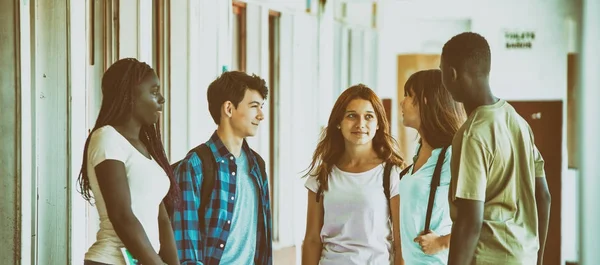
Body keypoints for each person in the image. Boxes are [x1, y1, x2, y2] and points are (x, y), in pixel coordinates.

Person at [440, 32, 552, 265]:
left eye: (442, 72)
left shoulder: (472, 133)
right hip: (525, 256)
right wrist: (537, 258)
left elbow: (470, 222)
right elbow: (544, 196)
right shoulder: (518, 122)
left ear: (451, 74)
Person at [78, 58, 180, 265]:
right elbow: (122, 216)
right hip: (110, 260)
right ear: (129, 96)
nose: (162, 99)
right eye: (153, 91)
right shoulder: (107, 138)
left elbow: (162, 220)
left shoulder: (145, 149)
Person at [171, 71, 273, 265]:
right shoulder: (195, 166)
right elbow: (186, 247)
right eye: (254, 107)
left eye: (261, 107)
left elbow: (263, 240)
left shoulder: (257, 165)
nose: (261, 115)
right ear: (229, 108)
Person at [302, 84, 405, 265]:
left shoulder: (391, 174)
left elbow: (400, 243)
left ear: (378, 123)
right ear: (338, 123)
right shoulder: (321, 175)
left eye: (368, 117)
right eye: (351, 116)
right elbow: (312, 240)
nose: (360, 124)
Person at [398, 69, 466, 265]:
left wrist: (442, 242)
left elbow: (483, 219)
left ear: (426, 100)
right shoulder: (419, 150)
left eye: (408, 96)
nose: (402, 102)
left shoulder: (452, 154)